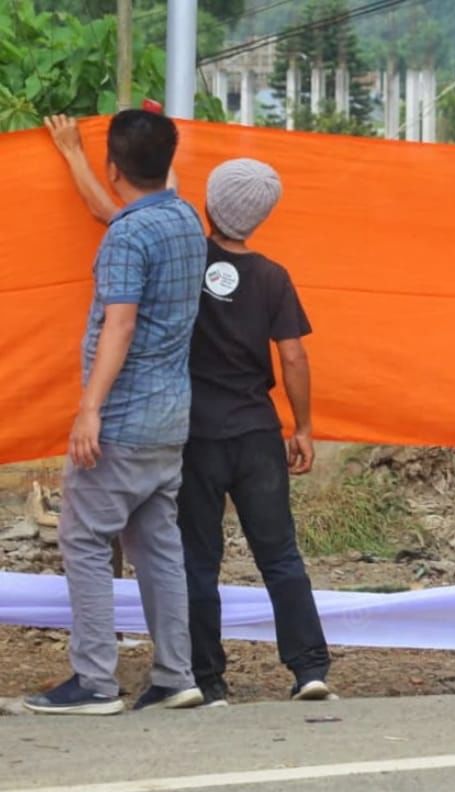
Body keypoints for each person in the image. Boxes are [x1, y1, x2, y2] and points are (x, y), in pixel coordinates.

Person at [44, 116, 334, 705]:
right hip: (249, 433)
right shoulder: (263, 272)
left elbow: (116, 213)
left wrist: (73, 153)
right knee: (277, 554)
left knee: (190, 557)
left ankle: (202, 678)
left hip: (188, 431)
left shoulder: (176, 242)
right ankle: (306, 668)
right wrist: (302, 424)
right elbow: (295, 357)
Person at [25, 110, 206, 715]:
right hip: (170, 420)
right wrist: (78, 156)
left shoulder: (130, 237)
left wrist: (88, 411)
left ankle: (95, 681)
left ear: (114, 167)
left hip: (124, 418)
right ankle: (176, 673)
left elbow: (119, 324)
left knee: (82, 538)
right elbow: (117, 209)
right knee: (158, 549)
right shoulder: (182, 216)